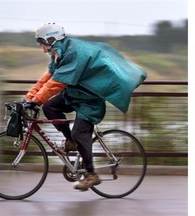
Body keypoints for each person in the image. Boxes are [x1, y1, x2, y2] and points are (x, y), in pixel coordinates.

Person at [24, 22, 147, 191]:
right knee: (50, 107)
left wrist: (36, 101)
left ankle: (91, 175)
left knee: (80, 132)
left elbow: (57, 82)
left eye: (41, 41)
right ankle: (71, 141)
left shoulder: (73, 52)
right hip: (74, 94)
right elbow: (50, 76)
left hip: (90, 100)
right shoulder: (58, 52)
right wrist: (29, 97)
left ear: (51, 39)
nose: (39, 45)